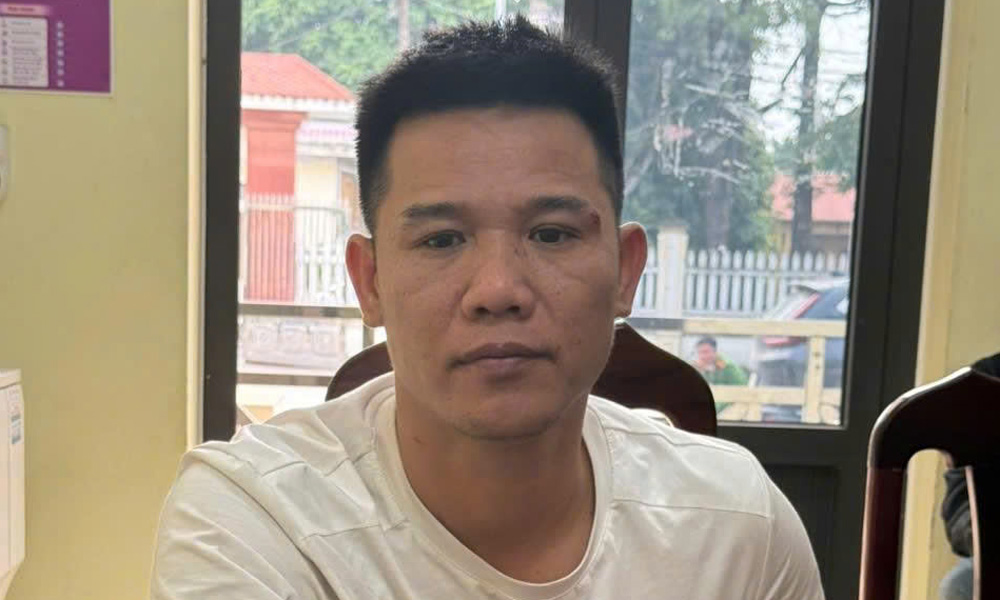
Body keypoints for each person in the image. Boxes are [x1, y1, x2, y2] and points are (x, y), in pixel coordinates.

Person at [151, 18, 823, 599]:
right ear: (370, 281)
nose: (498, 289)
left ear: (625, 270)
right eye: (442, 240)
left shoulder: (737, 526)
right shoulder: (256, 520)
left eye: (552, 234)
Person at [938, 351, 1000, 600]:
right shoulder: (986, 381)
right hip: (995, 547)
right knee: (962, 584)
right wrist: (987, 536)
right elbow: (959, 508)